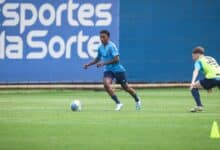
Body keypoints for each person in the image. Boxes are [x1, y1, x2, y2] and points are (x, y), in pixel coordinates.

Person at [83, 30, 141, 111]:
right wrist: (88, 65)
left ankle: (137, 100)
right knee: (106, 84)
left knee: (126, 88)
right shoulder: (100, 47)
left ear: (108, 37)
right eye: (100, 37)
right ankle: (118, 103)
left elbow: (117, 59)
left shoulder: (112, 46)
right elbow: (97, 59)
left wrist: (103, 63)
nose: (102, 39)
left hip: (118, 70)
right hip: (108, 70)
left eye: (104, 37)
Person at [190, 46, 220, 112]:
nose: (193, 58)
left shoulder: (199, 61)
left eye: (193, 56)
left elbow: (196, 71)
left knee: (193, 87)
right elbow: (213, 69)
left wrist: (192, 82)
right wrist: (209, 87)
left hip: (212, 78)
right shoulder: (211, 58)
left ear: (198, 54)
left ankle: (199, 106)